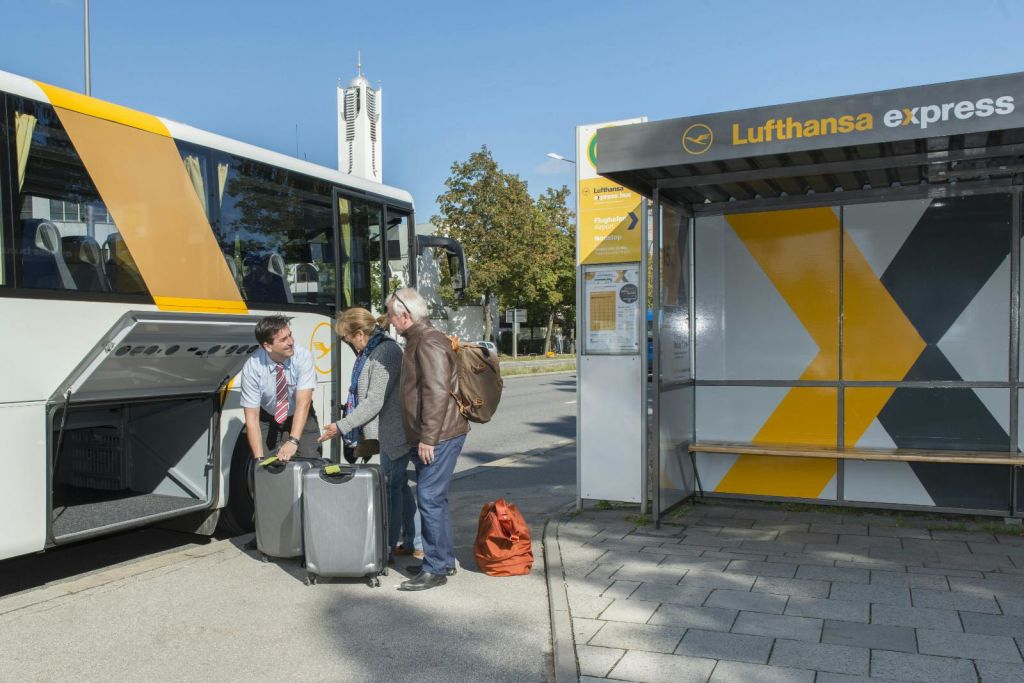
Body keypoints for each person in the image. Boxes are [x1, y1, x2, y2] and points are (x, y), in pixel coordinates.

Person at [318, 307, 423, 562]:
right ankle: (414, 541)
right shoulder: (372, 350)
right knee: (400, 486)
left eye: (346, 337)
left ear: (360, 334)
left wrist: (341, 425)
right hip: (392, 429)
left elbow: (374, 401)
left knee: (391, 488)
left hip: (396, 430)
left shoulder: (385, 352)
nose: (346, 342)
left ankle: (386, 548)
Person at [387, 288, 469, 591]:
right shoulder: (421, 339)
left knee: (429, 499)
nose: (391, 323)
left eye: (392, 317)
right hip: (437, 433)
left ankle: (435, 568)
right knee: (435, 498)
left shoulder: (428, 342)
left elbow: (436, 392)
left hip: (439, 435)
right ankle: (442, 561)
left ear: (405, 315)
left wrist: (428, 439)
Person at [239, 314, 322, 463]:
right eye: (283, 339)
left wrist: (293, 441)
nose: (291, 342)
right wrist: (259, 460)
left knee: (310, 463)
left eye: (290, 335)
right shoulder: (252, 367)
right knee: (264, 465)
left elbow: (304, 402)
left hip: (300, 412)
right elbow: (252, 418)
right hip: (267, 417)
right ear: (268, 346)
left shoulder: (303, 356)